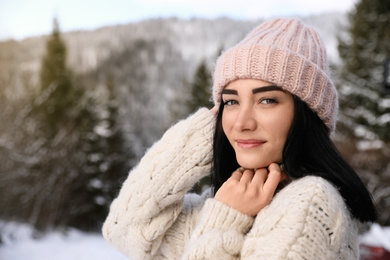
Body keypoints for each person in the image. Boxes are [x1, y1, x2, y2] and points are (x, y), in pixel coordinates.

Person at [103, 18, 377, 259]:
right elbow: (125, 228)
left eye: (267, 100)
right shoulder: (235, 198)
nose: (242, 123)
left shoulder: (310, 204)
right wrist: (204, 133)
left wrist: (223, 222)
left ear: (307, 115)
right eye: (231, 102)